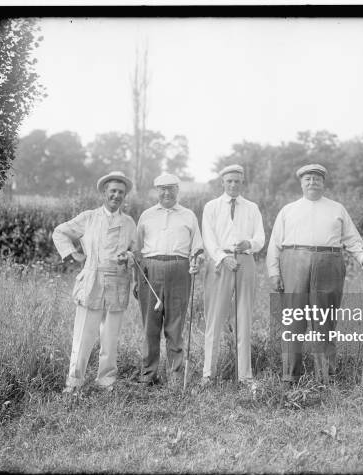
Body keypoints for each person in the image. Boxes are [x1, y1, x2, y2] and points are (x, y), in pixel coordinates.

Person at [266, 163, 363, 385]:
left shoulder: (337, 209)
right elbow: (275, 244)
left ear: (323, 183)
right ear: (301, 183)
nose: (312, 182)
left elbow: (352, 239)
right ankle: (290, 377)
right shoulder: (288, 210)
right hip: (294, 262)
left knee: (325, 322)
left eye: (317, 179)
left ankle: (326, 378)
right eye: (308, 179)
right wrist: (274, 272)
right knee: (293, 322)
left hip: (329, 263)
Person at [52, 171, 137, 393]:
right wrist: (72, 254)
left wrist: (128, 257)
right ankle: (74, 383)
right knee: (83, 336)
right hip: (92, 280)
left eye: (121, 192)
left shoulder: (129, 223)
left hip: (118, 283)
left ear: (124, 196)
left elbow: (135, 251)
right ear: (104, 193)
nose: (116, 196)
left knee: (110, 338)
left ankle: (106, 383)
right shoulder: (88, 217)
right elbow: (60, 232)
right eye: (112, 191)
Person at [135, 174, 203, 386]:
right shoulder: (146, 215)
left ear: (177, 190)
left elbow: (197, 247)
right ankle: (148, 376)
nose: (166, 193)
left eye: (171, 188)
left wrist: (197, 259)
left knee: (175, 327)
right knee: (150, 327)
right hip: (150, 269)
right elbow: (137, 251)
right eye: (162, 189)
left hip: (179, 269)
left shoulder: (188, 215)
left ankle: (175, 378)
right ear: (157, 191)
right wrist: (138, 280)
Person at [200, 164, 265, 387]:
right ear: (223, 183)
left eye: (237, 181)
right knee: (214, 318)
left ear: (242, 182)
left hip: (245, 260)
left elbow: (260, 237)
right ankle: (208, 374)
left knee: (244, 318)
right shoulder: (211, 207)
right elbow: (208, 238)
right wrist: (222, 258)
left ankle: (245, 376)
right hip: (220, 262)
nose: (234, 185)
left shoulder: (252, 208)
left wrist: (250, 243)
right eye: (230, 181)